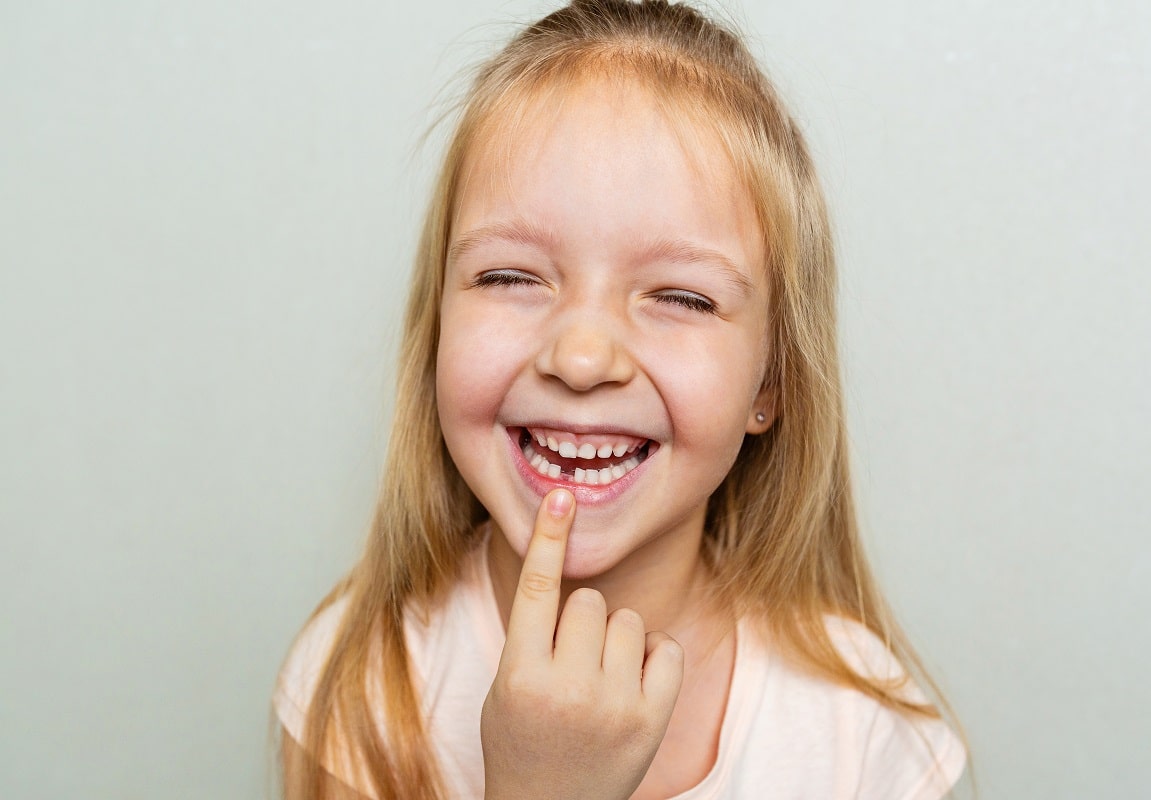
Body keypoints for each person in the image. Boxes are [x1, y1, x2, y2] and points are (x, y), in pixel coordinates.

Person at [274, 1, 967, 798]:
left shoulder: (859, 735)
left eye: (680, 296)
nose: (581, 355)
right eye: (510, 277)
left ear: (770, 383)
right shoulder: (364, 682)